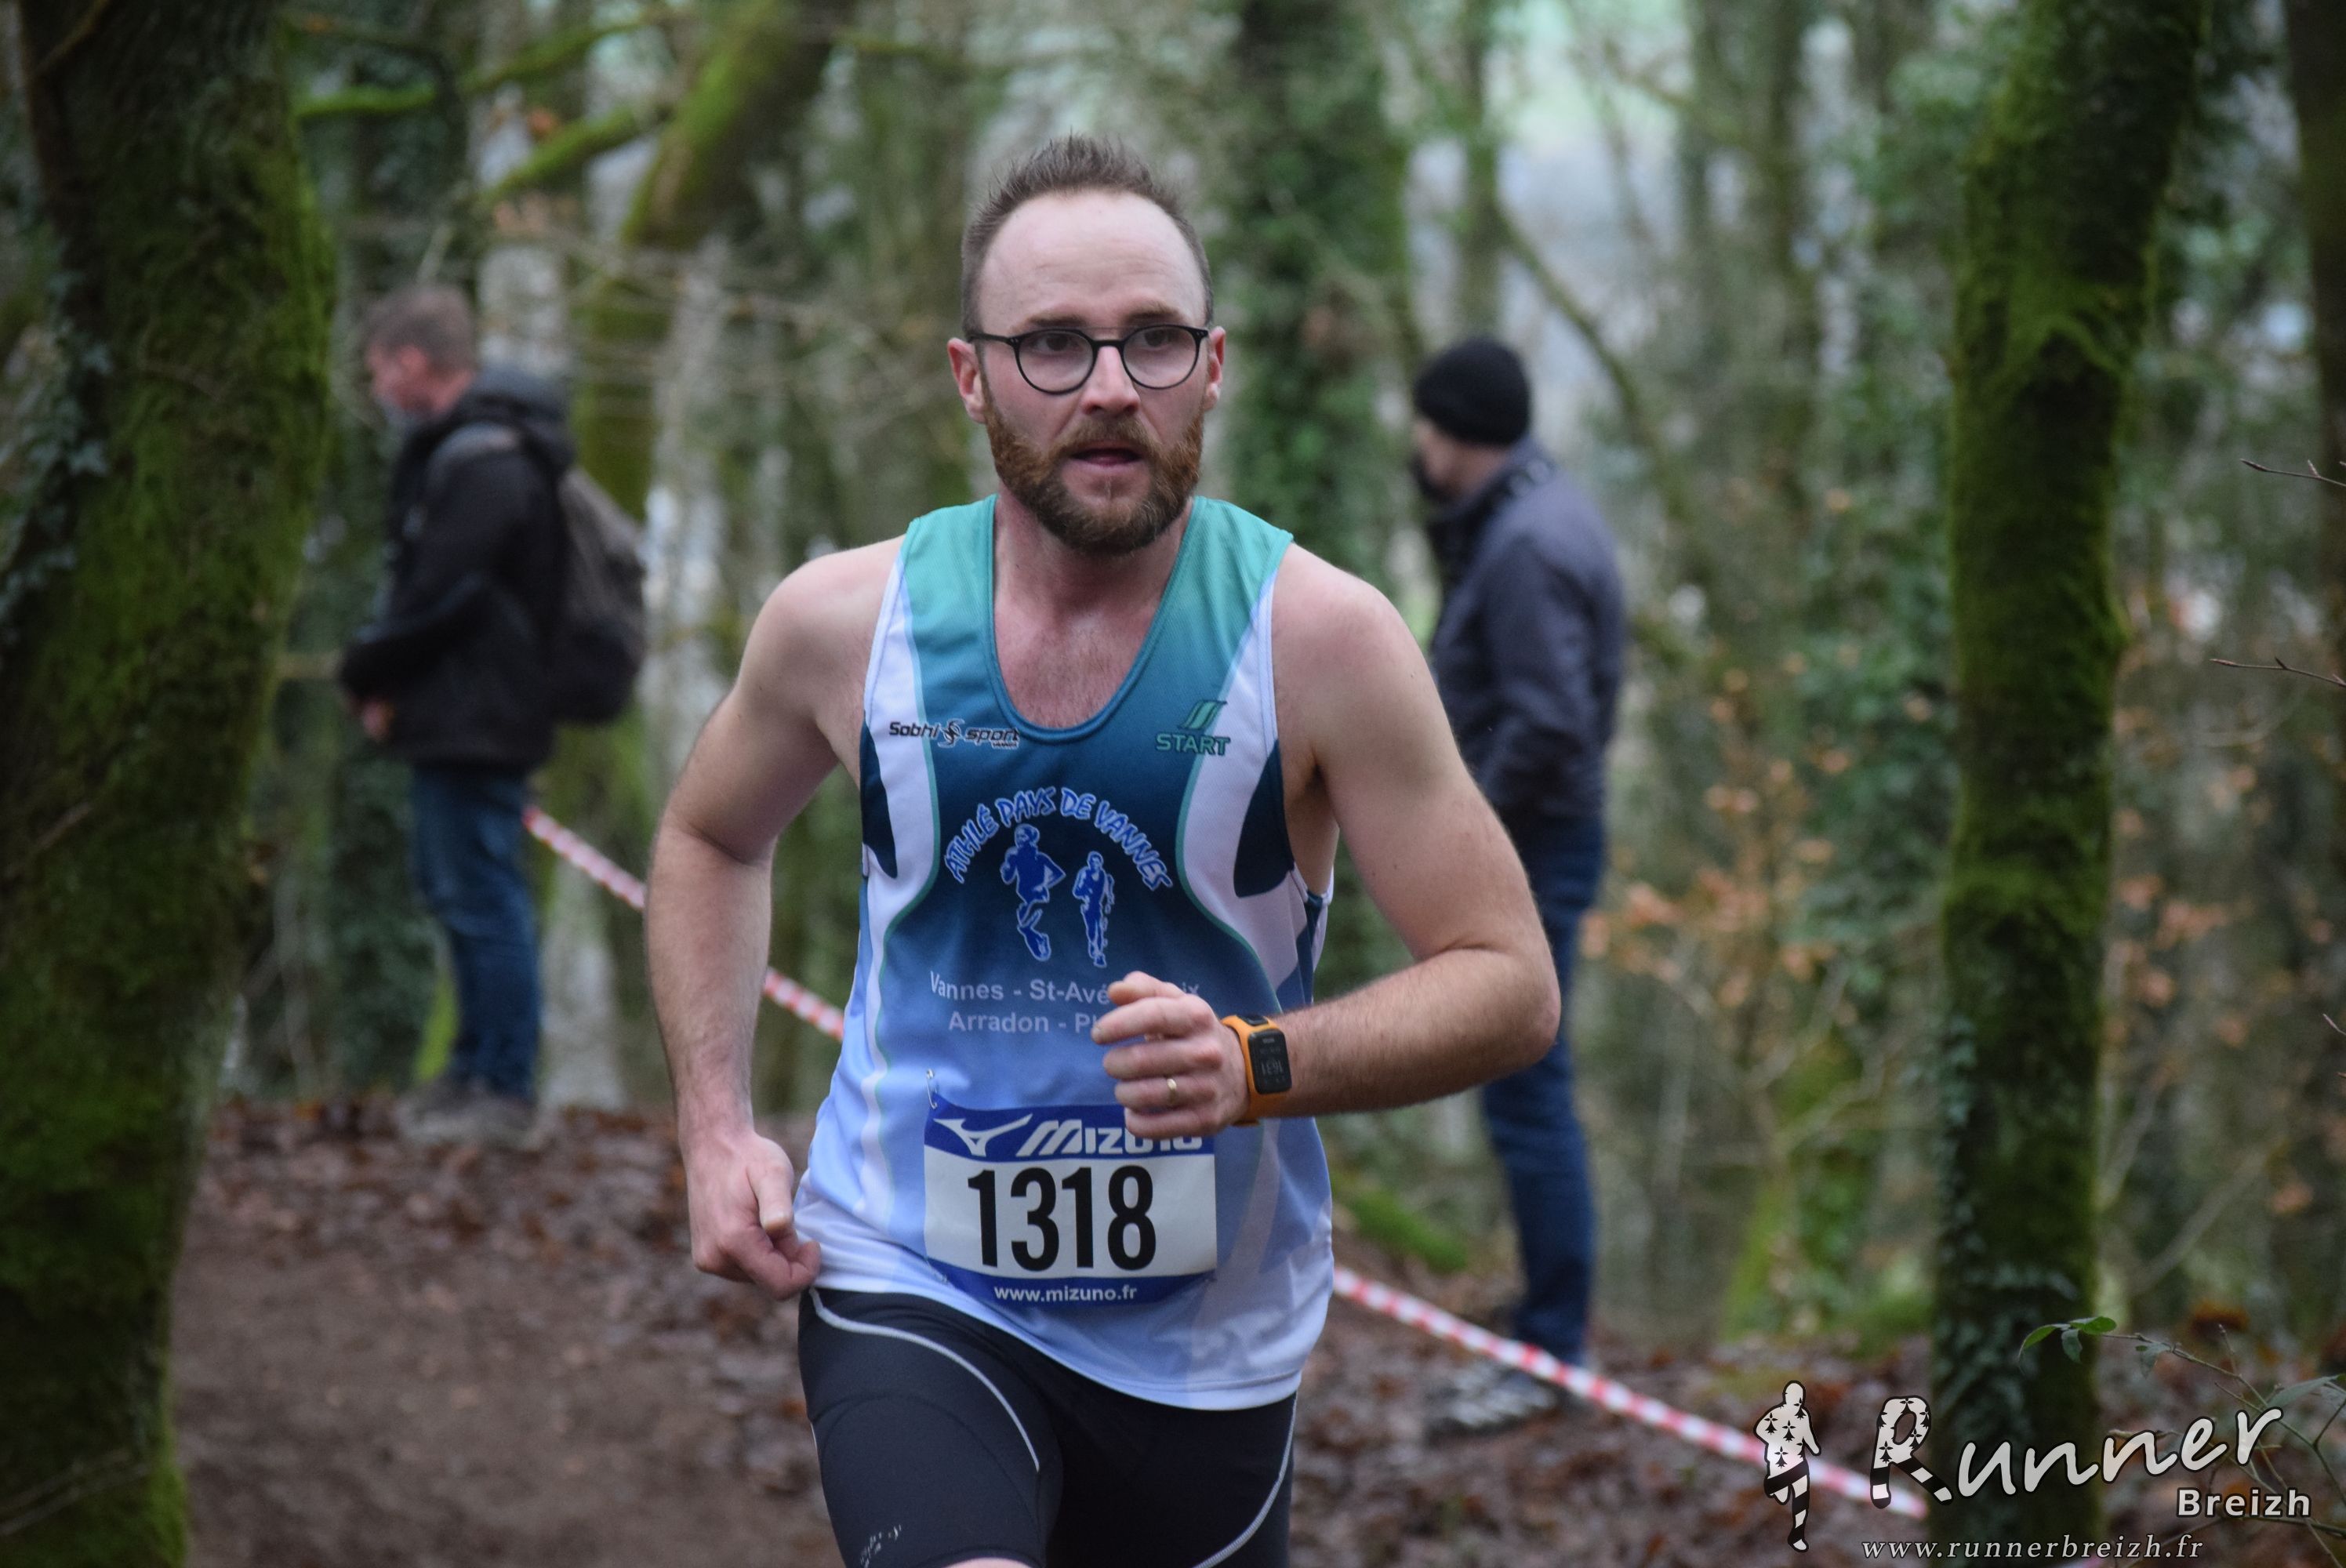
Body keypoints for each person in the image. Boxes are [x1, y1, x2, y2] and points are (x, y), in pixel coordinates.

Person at [644, 136, 1561, 1568]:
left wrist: (1258, 1065)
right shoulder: (844, 625)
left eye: (1153, 339)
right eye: (1054, 345)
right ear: (972, 377)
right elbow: (709, 835)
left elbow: (1508, 979)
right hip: (913, 1277)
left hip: (1209, 1349)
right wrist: (713, 1127)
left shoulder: (1321, 641)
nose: (1111, 384)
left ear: (1214, 366)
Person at [1409, 336, 1625, 1436]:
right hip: (1537, 840)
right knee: (1524, 1089)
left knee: (1528, 1089)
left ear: (1450, 431)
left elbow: (1551, 724)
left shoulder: (1526, 544)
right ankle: (1547, 1316)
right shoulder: (1536, 515)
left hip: (1532, 848)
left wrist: (1463, 835)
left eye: (1423, 425)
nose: (1415, 447)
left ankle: (1552, 1346)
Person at [337, 285, 572, 1148]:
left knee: (483, 899)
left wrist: (365, 667)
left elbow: (443, 594)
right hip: (458, 712)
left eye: (378, 370)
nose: (377, 389)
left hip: (483, 716)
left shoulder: (486, 461)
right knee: (457, 893)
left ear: (411, 362)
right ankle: (472, 1069)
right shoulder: (473, 451)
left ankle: (503, 1087)